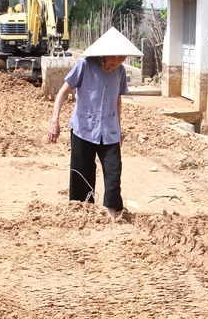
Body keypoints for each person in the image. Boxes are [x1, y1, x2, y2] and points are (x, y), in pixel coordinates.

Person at [48, 27, 143, 220]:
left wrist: (119, 127)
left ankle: (112, 214)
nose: (117, 62)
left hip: (109, 131)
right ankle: (81, 212)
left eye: (121, 59)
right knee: (82, 172)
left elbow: (117, 99)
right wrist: (55, 121)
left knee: (114, 170)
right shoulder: (85, 65)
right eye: (114, 58)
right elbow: (63, 92)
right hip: (83, 129)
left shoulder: (120, 72)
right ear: (103, 55)